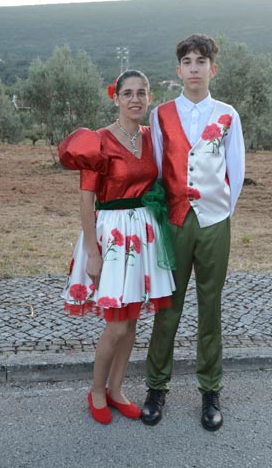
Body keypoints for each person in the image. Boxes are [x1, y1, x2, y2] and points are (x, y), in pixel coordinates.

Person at [59, 69, 176, 425]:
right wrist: (92, 253)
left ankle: (117, 389)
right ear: (116, 98)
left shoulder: (152, 137)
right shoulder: (98, 141)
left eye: (142, 92)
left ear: (150, 97)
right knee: (117, 325)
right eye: (128, 93)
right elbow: (86, 201)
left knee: (132, 320)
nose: (135, 99)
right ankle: (96, 390)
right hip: (110, 237)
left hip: (142, 236)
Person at [141, 34, 245, 431]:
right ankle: (156, 387)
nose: (194, 68)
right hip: (174, 221)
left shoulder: (228, 115)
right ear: (179, 70)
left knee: (210, 306)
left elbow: (236, 171)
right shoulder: (161, 114)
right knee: (167, 305)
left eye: (201, 61)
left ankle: (210, 390)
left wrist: (219, 212)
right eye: (188, 62)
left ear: (212, 69)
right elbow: (156, 168)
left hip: (214, 222)